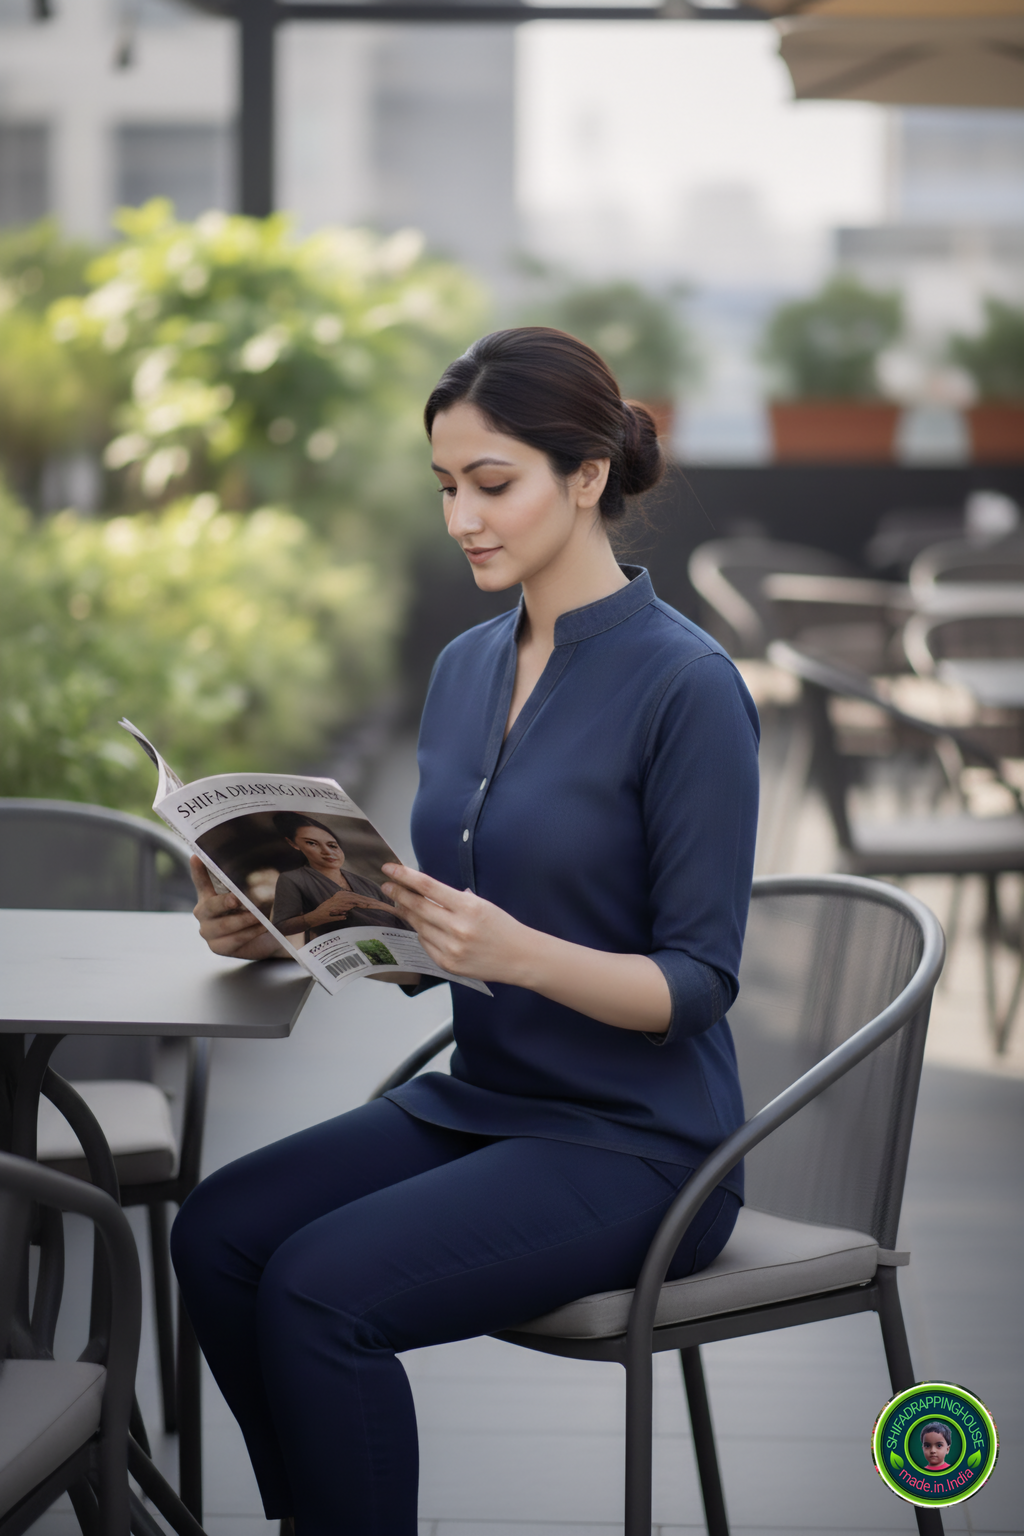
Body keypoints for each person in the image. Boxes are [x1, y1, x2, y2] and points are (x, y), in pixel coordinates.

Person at [173, 327, 760, 1536]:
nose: (463, 518)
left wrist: (513, 954)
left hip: (643, 1146)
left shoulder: (687, 687)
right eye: (447, 488)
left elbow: (697, 983)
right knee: (220, 1235)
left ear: (585, 476)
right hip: (482, 1100)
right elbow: (444, 914)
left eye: (493, 484)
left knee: (320, 1294)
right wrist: (290, 915)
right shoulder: (462, 668)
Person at [268, 811, 410, 945]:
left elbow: (398, 920)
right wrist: (316, 916)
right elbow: (281, 926)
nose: (327, 852)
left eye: (332, 845)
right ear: (293, 844)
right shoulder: (293, 879)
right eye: (312, 843)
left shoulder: (365, 883)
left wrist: (377, 905)